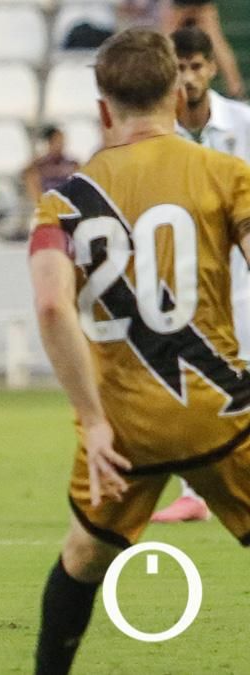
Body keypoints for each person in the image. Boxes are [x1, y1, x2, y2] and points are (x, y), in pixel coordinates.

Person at [28, 28, 250, 673]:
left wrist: (94, 422)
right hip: (223, 415)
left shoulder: (63, 201)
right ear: (179, 95)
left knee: (83, 559)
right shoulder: (228, 173)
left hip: (122, 432)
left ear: (103, 107)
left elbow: (50, 306)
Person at [152, 26, 250, 524]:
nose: (188, 77)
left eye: (196, 66)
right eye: (180, 67)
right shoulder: (155, 132)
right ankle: (195, 492)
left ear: (212, 67)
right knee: (187, 384)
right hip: (181, 279)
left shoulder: (244, 125)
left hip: (241, 274)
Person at [161, 0, 244, 99]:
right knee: (217, 42)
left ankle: (159, 90)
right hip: (199, 4)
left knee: (166, 42)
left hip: (182, 5)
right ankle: (236, 91)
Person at [23, 126, 80, 206]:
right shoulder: (38, 165)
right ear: (49, 142)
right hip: (47, 203)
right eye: (58, 141)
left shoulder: (72, 164)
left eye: (62, 141)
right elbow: (28, 176)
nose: (61, 144)